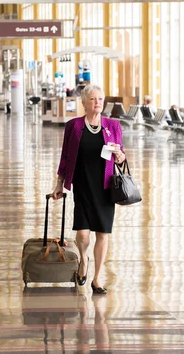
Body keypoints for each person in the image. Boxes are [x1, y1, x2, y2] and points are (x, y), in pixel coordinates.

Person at [51, 85, 126, 295]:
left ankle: (97, 278)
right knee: (83, 235)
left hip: (105, 187)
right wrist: (59, 183)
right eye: (93, 99)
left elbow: (120, 155)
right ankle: (84, 260)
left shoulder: (113, 126)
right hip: (82, 186)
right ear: (84, 102)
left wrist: (121, 157)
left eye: (100, 99)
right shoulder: (73, 127)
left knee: (103, 233)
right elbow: (65, 157)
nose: (98, 103)